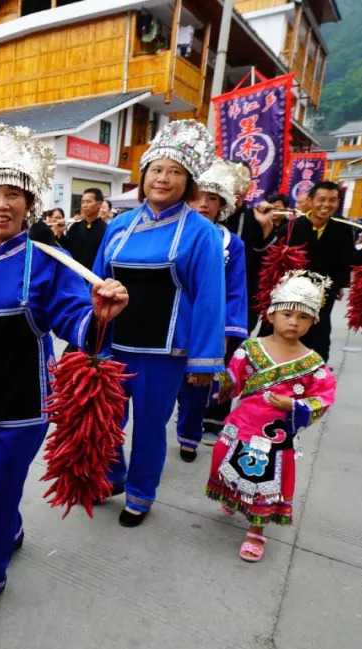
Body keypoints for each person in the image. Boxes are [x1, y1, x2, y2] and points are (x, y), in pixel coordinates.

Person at [0, 122, 127, 621]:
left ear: (29, 203)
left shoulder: (49, 260)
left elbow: (76, 325)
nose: (2, 205)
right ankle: (11, 531)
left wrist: (101, 316)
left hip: (26, 401)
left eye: (13, 195)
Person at [93, 119, 225, 527]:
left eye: (174, 172)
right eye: (156, 169)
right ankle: (112, 476)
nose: (163, 179)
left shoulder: (201, 232)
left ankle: (140, 494)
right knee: (106, 419)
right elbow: (97, 281)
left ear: (189, 182)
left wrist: (204, 361)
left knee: (150, 427)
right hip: (115, 342)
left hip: (164, 352)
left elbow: (209, 298)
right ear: (143, 176)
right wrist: (90, 332)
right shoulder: (119, 224)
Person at [205, 270, 337, 562]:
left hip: (275, 437)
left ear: (313, 321)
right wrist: (212, 376)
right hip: (241, 426)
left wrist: (294, 406)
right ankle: (234, 496)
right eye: (288, 314)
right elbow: (231, 381)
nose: (294, 322)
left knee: (267, 481)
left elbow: (324, 397)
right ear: (270, 315)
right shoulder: (250, 349)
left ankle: (256, 530)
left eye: (303, 317)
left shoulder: (313, 363)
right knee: (225, 462)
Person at [256, 181, 362, 362]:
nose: (327, 205)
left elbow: (350, 259)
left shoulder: (342, 229)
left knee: (317, 338)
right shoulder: (292, 227)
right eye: (321, 199)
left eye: (332, 200)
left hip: (322, 296)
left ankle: (314, 374)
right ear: (311, 201)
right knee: (278, 331)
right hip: (290, 294)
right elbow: (270, 258)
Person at [176, 159, 248, 461]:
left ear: (224, 204)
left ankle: (189, 436)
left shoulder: (232, 243)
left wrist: (226, 333)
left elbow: (235, 292)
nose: (204, 204)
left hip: (206, 325)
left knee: (198, 383)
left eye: (212, 198)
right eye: (198, 196)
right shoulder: (172, 233)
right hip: (172, 321)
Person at [224, 165, 273, 335]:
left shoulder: (254, 217)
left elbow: (266, 263)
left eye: (243, 181)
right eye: (232, 177)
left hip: (244, 299)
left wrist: (266, 227)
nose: (237, 185)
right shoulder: (206, 212)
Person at [62, 188, 106, 271]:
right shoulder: (74, 227)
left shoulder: (106, 230)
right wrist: (59, 234)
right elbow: (65, 250)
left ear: (99, 204)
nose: (84, 205)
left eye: (88, 202)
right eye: (82, 202)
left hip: (93, 277)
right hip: (73, 274)